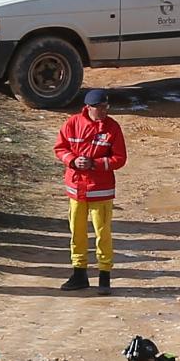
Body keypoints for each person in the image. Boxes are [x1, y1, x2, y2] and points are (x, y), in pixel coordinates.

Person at [53, 89, 126, 295]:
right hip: (76, 189)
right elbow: (60, 148)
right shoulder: (72, 124)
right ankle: (79, 274)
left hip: (100, 191)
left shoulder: (112, 128)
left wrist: (95, 164)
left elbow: (119, 158)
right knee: (77, 232)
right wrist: (73, 160)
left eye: (106, 107)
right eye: (100, 108)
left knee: (103, 233)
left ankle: (104, 276)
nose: (104, 111)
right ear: (89, 107)